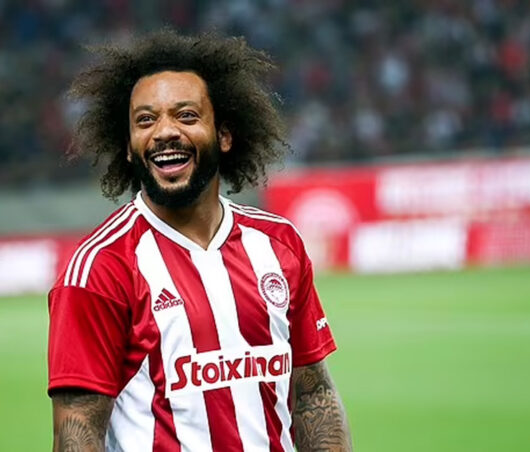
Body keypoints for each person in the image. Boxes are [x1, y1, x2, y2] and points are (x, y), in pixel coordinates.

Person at [47, 30, 352, 452]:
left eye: (186, 116)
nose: (164, 132)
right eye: (145, 120)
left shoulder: (278, 244)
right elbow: (76, 432)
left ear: (224, 135)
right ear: (129, 148)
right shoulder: (101, 268)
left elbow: (313, 394)